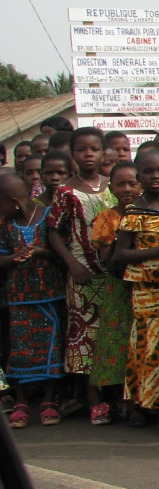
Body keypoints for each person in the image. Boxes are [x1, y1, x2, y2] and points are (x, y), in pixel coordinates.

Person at [47, 127, 115, 423]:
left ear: (103, 153)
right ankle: (93, 397)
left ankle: (115, 396)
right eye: (82, 150)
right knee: (87, 335)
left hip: (111, 272)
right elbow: (52, 231)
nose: (88, 154)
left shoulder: (113, 186)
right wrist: (71, 264)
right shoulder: (66, 192)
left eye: (94, 149)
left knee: (112, 333)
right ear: (72, 155)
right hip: (82, 274)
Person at [112, 150, 159, 432]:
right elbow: (119, 256)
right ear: (139, 177)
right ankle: (144, 404)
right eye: (148, 171)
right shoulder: (133, 214)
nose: (155, 176)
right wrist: (158, 251)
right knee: (148, 351)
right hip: (147, 291)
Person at [0, 172, 66, 427]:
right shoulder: (6, 225)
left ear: (14, 200)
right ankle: (21, 401)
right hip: (19, 298)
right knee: (20, 350)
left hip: (49, 294)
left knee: (51, 347)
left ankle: (49, 400)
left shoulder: (48, 216)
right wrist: (15, 257)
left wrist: (38, 252)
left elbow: (60, 252)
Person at [89, 163, 140, 422]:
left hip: (149, 287)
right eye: (120, 184)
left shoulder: (152, 212)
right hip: (119, 288)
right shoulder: (108, 218)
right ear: (111, 188)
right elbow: (107, 261)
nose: (127, 189)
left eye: (132, 183)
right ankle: (122, 399)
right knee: (119, 343)